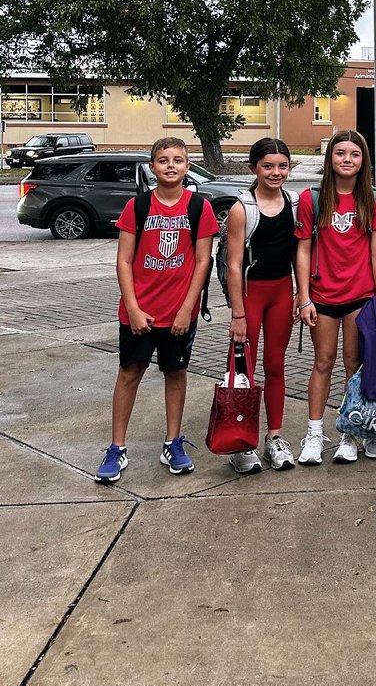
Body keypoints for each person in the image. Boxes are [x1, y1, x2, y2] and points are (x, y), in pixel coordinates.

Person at [95, 137, 218, 483]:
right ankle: (117, 447)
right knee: (129, 373)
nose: (171, 165)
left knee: (175, 375)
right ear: (152, 167)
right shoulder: (138, 207)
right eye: (163, 160)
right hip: (140, 314)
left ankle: (173, 442)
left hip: (179, 314)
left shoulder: (199, 207)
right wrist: (132, 308)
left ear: (187, 166)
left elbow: (203, 261)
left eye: (178, 159)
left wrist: (186, 308)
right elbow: (123, 260)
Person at [294, 130, 376, 465]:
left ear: (364, 160)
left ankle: (350, 433)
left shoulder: (374, 199)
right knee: (323, 362)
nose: (347, 159)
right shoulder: (312, 198)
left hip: (360, 297)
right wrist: (303, 296)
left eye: (354, 154)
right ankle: (315, 434)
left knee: (354, 365)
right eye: (340, 153)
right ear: (330, 158)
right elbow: (303, 250)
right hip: (322, 296)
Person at [224, 138, 299, 475]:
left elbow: (300, 253)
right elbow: (235, 264)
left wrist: (301, 294)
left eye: (282, 166)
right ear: (254, 167)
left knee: (275, 365)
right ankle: (240, 442)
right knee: (242, 370)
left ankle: (275, 437)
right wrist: (238, 313)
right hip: (251, 296)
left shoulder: (294, 203)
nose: (276, 172)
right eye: (268, 166)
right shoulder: (242, 208)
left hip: (282, 291)